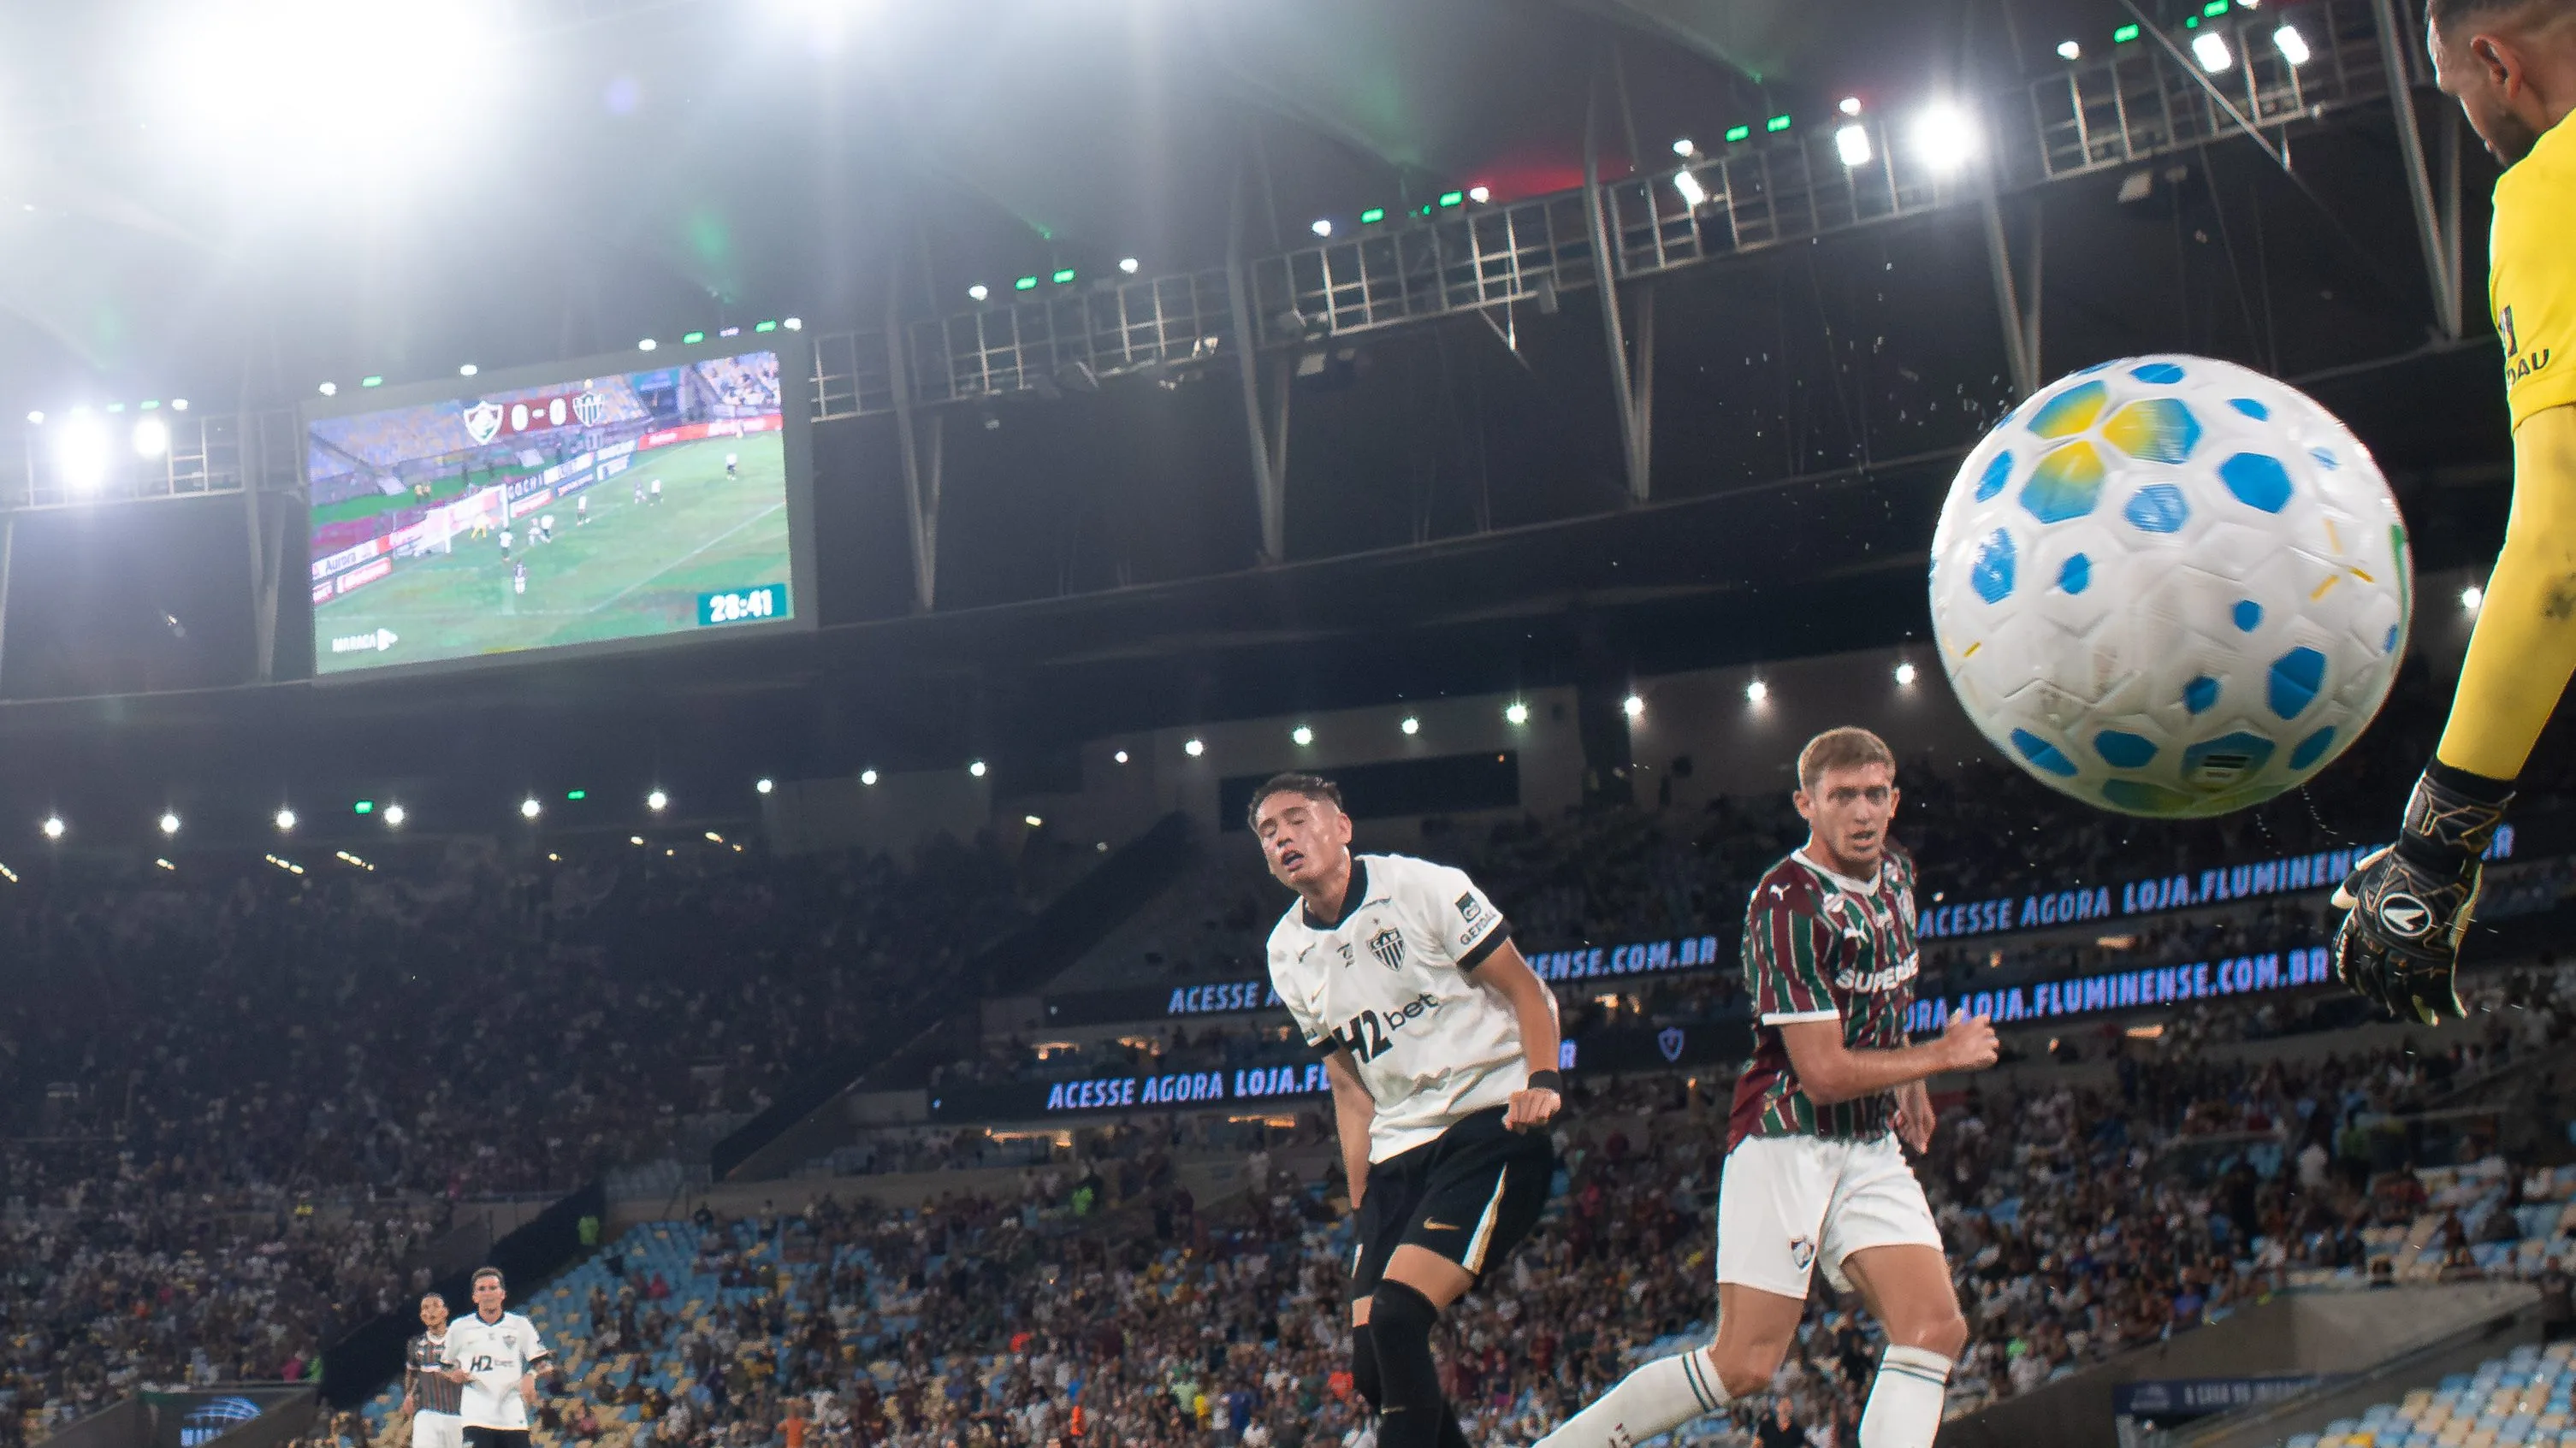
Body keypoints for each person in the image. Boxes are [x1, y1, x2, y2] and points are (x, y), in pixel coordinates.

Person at [1535, 728, 1999, 1448]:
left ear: (1895, 799)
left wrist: (1909, 1079)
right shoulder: (1786, 903)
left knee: (1935, 1325)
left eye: (1875, 792)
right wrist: (1939, 1056)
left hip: (1866, 1140)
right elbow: (1821, 1069)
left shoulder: (1898, 872)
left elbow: (1884, 987)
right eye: (1842, 795)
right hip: (1787, 1136)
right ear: (1804, 804)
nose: (1862, 810)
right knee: (1743, 1365)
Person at [2333, 0, 2576, 1024]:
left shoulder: (2551, 185)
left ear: (2494, 60)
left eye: (2457, 95)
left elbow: (2562, 555)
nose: (2471, 124)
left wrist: (2438, 844)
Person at [1253, 772, 1563, 1448]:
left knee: (1396, 1319)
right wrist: (1363, 1198)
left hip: (1488, 1122)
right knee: (1373, 1369)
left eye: (1296, 820)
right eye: (1268, 832)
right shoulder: (1286, 951)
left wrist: (1541, 1078)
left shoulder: (1424, 887)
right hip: (1399, 1147)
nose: (1282, 838)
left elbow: (1525, 990)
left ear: (1342, 827)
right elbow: (1347, 1085)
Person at [441, 1267, 552, 1448]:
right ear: (474, 1297)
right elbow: (445, 1365)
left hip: (513, 1417)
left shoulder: (520, 1325)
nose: (487, 1293)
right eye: (481, 1289)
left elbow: (544, 1362)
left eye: (493, 1288)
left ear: (503, 1294)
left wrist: (531, 1375)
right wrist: (454, 1373)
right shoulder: (459, 1327)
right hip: (476, 1418)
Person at [403, 1293, 465, 1448]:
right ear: (421, 1316)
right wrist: (409, 1395)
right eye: (425, 1308)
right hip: (427, 1414)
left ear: (445, 1311)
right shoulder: (415, 1344)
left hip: (459, 1415)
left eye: (435, 1306)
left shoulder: (461, 1339)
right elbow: (412, 1373)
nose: (430, 1311)